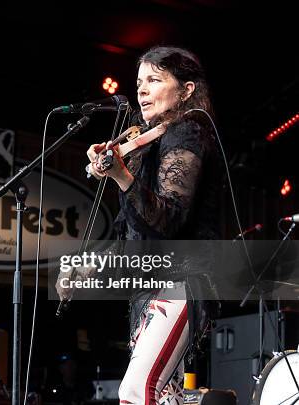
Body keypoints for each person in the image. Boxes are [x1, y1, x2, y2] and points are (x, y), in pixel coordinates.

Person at [58, 46, 222, 404]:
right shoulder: (152, 144)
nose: (142, 90)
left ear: (187, 90)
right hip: (153, 287)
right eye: (139, 82)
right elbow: (139, 237)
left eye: (154, 79)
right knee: (165, 397)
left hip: (181, 283)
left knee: (136, 390)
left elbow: (169, 218)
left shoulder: (188, 133)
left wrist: (120, 175)